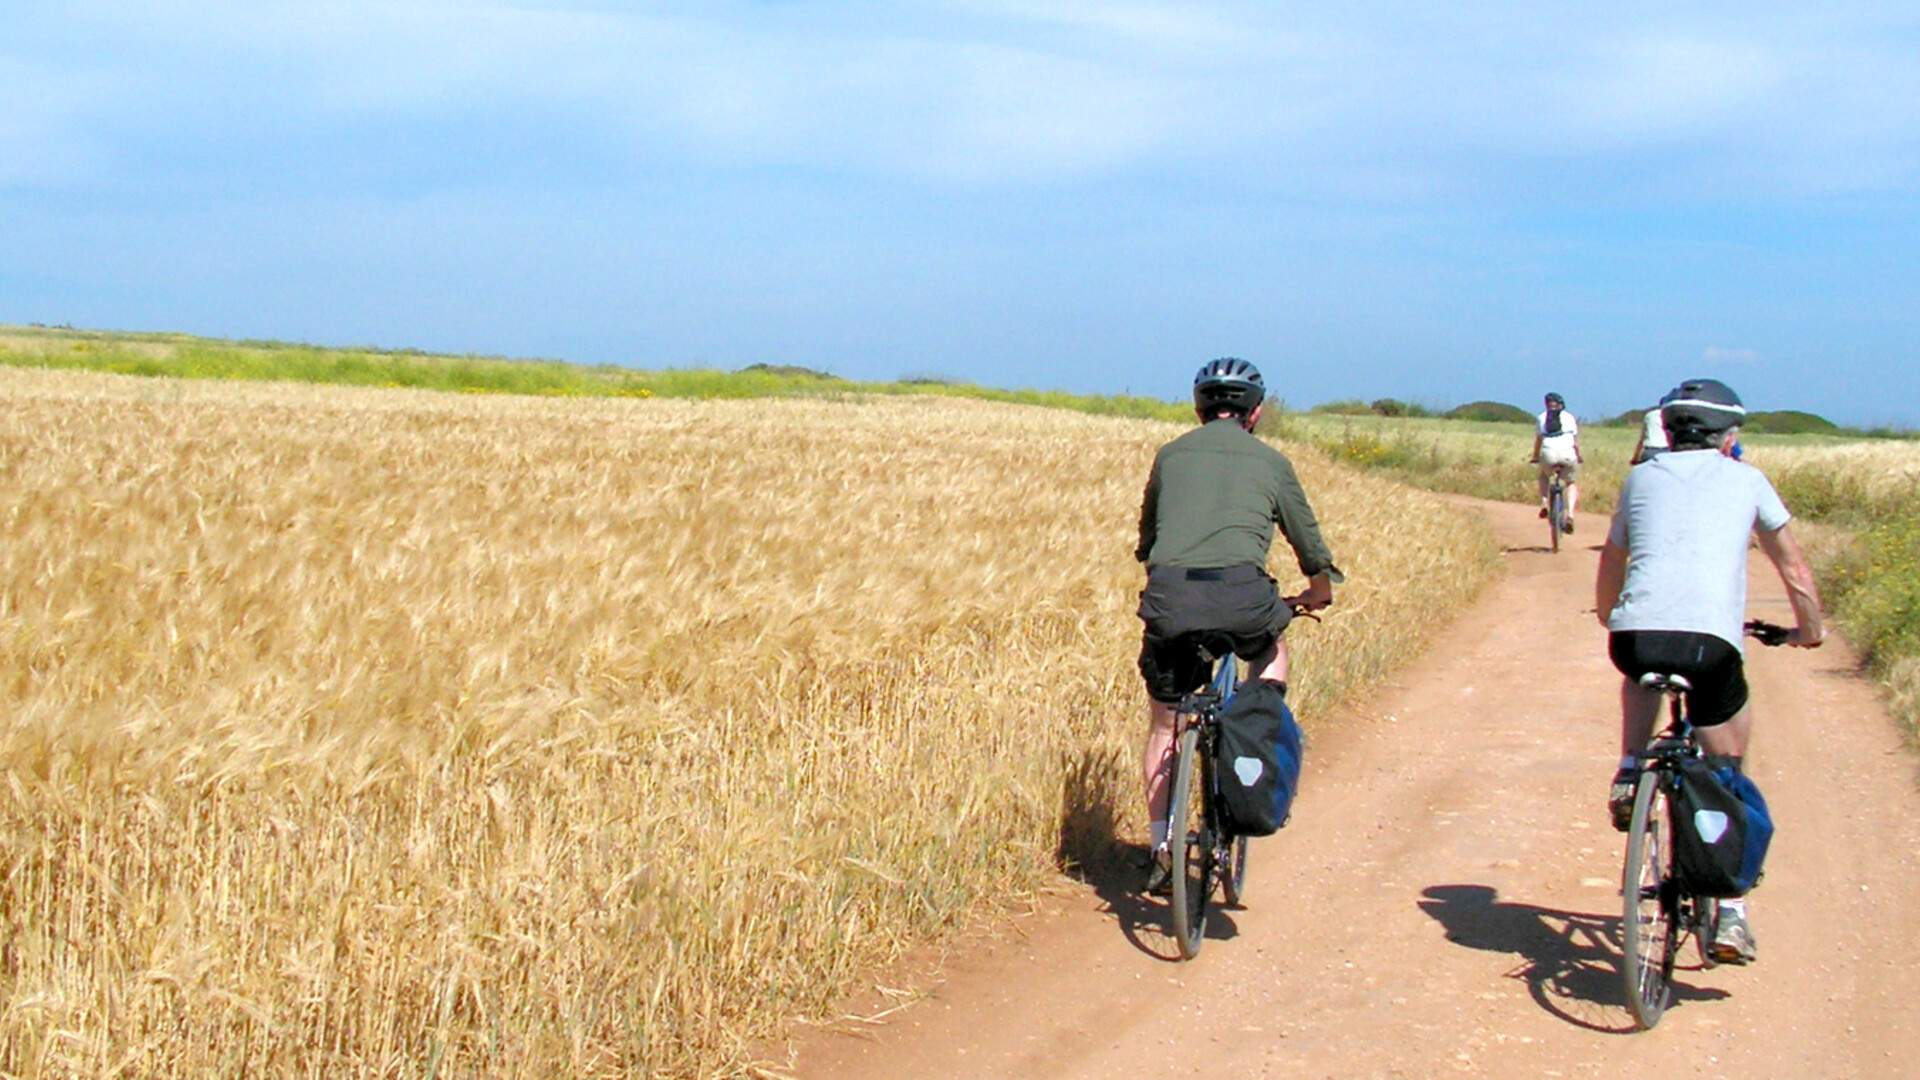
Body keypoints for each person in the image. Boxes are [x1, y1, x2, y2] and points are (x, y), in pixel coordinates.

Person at [1594, 377, 1824, 965]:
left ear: (1667, 431)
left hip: (1636, 636)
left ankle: (1628, 770)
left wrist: (1610, 616)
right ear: (1730, 438)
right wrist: (1809, 630)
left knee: (1641, 671)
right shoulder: (1748, 480)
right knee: (1726, 772)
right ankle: (1730, 914)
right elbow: (1792, 564)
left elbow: (1613, 557)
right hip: (1710, 647)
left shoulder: (1640, 477)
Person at [1135, 358, 1341, 893]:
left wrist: (1154, 563)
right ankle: (1255, 724)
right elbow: (1307, 539)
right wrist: (1318, 591)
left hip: (1172, 597)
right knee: (1270, 649)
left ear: (1199, 408)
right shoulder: (1272, 462)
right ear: (1256, 413)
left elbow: (1148, 534)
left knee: (1166, 723)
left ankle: (1163, 841)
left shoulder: (1170, 454)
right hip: (1244, 599)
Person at [1531, 392, 1582, 532]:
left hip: (1548, 453)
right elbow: (1575, 442)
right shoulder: (1570, 418)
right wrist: (1578, 456)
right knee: (1571, 483)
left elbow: (1538, 441)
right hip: (1567, 454)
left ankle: (1544, 504)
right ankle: (1570, 515)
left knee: (1544, 475)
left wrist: (1535, 456)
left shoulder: (1541, 418)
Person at [1629, 400, 1669, 465]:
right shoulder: (1670, 415)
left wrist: (1635, 458)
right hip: (1666, 452)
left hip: (1649, 451)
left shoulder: (1649, 415)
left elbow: (1641, 440)